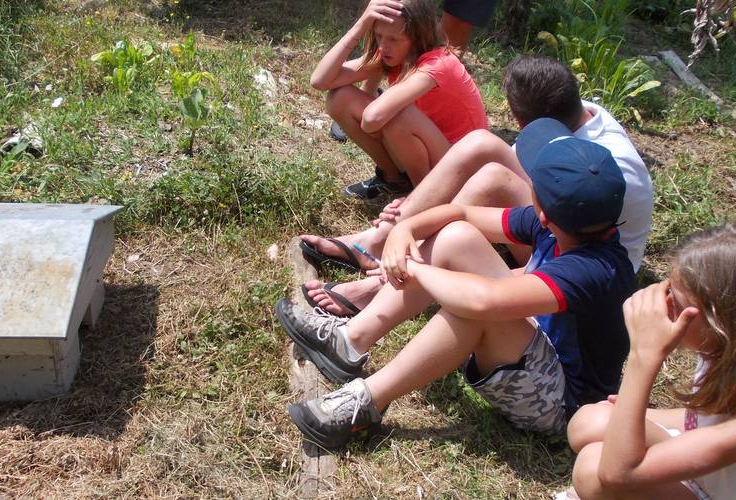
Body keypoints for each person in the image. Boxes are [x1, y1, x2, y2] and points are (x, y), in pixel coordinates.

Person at [276, 118, 636, 448]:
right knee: (456, 238)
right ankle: (349, 340)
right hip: (532, 345)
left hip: (561, 403)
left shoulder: (595, 269)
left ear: (543, 209)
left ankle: (368, 401)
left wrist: (418, 270)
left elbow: (486, 301)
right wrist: (406, 229)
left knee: (479, 311)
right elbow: (462, 214)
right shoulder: (559, 226)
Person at [301, 55, 653, 316]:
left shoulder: (608, 168)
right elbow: (504, 164)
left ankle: (385, 281)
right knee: (481, 144)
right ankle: (381, 239)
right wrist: (422, 202)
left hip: (579, 256)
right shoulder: (577, 114)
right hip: (556, 226)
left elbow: (582, 241)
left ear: (522, 120)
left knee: (490, 179)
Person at [563, 224, 736, 499]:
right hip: (711, 477)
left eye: (678, 302)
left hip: (718, 491)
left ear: (724, 323)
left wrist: (643, 356)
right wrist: (632, 413)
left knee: (593, 470)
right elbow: (709, 419)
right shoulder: (728, 352)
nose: (665, 305)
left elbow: (620, 473)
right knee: (592, 420)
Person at [313, 0, 488, 200]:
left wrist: (380, 107)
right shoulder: (397, 55)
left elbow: (372, 118)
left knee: (399, 117)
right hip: (438, 153)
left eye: (394, 39)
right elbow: (320, 80)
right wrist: (360, 26)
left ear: (418, 38)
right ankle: (395, 180)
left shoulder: (439, 64)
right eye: (378, 36)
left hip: (464, 170)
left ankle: (425, 199)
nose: (383, 47)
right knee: (339, 98)